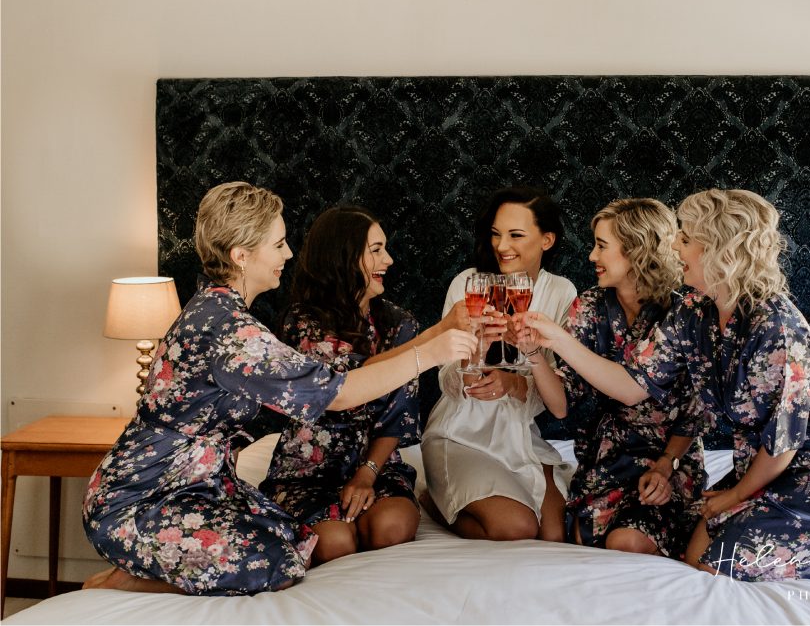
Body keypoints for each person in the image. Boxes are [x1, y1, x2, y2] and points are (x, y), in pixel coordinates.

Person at [82, 182, 475, 595]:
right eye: (279, 244)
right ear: (241, 255)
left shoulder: (220, 309)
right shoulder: (231, 332)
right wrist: (432, 352)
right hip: (142, 497)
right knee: (278, 565)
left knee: (296, 540)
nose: (288, 254)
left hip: (194, 487)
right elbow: (339, 392)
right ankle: (123, 581)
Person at [528, 188, 810, 581]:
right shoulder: (692, 311)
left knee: (712, 566)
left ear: (718, 249)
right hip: (762, 461)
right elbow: (631, 386)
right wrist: (554, 339)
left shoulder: (777, 327)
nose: (674, 247)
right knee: (694, 553)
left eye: (685, 239)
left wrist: (734, 495)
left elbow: (783, 443)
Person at [259, 205, 468, 564]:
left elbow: (398, 415)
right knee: (335, 543)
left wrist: (368, 473)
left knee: (393, 527)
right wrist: (435, 336)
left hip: (376, 463)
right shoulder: (302, 323)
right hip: (309, 471)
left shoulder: (400, 324)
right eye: (376, 250)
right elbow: (345, 384)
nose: (388, 259)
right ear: (343, 256)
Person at [520, 198, 706, 557]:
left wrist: (667, 466)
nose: (592, 256)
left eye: (602, 246)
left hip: (667, 459)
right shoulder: (590, 306)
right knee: (583, 540)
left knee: (627, 541)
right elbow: (560, 406)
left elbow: (649, 396)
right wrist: (533, 354)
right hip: (605, 460)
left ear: (636, 251)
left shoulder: (682, 313)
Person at [420, 186, 576, 542]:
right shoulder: (468, 284)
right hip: (461, 433)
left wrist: (515, 383)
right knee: (516, 527)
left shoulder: (561, 292)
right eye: (496, 234)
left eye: (515, 235)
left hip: (520, 435)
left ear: (547, 240)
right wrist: (478, 351)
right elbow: (448, 379)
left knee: (554, 534)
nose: (502, 245)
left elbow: (558, 391)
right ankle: (433, 500)